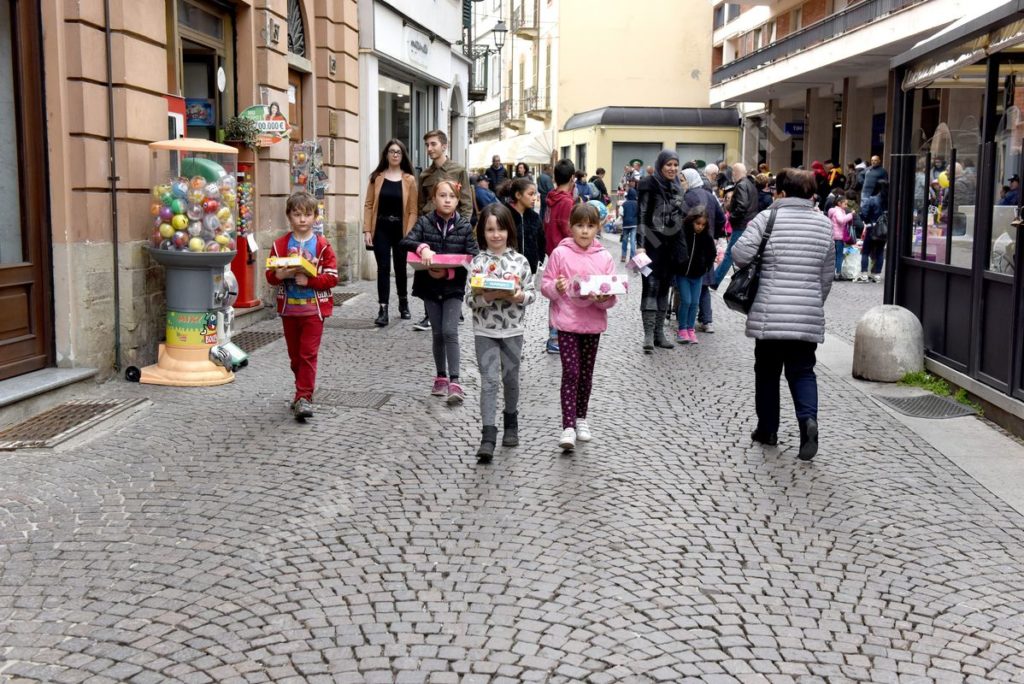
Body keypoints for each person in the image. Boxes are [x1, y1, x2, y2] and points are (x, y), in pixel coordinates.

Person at [732, 168, 835, 461]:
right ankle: (807, 422)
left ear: (781, 192)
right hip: (806, 314)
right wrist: (813, 303)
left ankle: (767, 429)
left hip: (770, 314)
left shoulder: (767, 219)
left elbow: (740, 255)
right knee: (802, 371)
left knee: (767, 372)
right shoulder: (824, 224)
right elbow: (827, 275)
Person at [540, 202, 618, 452]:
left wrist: (602, 298)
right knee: (571, 372)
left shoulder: (604, 257)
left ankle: (582, 418)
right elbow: (546, 286)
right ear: (570, 227)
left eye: (590, 226)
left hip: (592, 324)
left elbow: (612, 294)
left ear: (598, 228)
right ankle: (568, 425)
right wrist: (557, 288)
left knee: (586, 374)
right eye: (579, 225)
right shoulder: (560, 254)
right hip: (566, 323)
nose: (584, 231)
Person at [465, 203, 536, 463]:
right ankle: (488, 435)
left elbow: (531, 293)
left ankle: (511, 421)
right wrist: (488, 297)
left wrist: (519, 296)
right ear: (482, 232)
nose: (496, 235)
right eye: (490, 229)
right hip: (485, 330)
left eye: (501, 229)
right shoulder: (477, 262)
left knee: (510, 378)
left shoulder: (520, 261)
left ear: (509, 231)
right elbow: (469, 299)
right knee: (489, 381)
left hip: (513, 330)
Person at [401, 179, 479, 404]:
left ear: (457, 200)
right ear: (434, 199)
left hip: (453, 287)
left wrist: (453, 272)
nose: (447, 200)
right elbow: (406, 242)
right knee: (437, 332)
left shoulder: (464, 226)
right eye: (442, 196)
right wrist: (422, 247)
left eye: (451, 197)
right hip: (430, 287)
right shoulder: (425, 223)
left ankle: (455, 381)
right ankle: (440, 377)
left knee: (449, 331)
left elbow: (474, 256)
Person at [265, 192, 339, 420]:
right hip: (289, 309)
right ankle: (302, 391)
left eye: (307, 214)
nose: (303, 220)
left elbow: (333, 277)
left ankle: (303, 396)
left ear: (316, 217)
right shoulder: (280, 245)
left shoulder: (322, 245)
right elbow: (270, 276)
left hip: (313, 310)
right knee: (295, 356)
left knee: (308, 354)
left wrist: (310, 280)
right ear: (289, 216)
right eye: (297, 215)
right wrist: (280, 273)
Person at [415, 129, 473, 331]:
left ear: (444, 146)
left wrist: (462, 227)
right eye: (427, 145)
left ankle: (453, 308)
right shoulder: (425, 174)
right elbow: (420, 204)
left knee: (452, 270)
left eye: (433, 144)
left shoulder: (458, 170)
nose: (429, 149)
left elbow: (466, 201)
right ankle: (428, 314)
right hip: (430, 228)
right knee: (429, 269)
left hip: (452, 228)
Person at [363, 139, 418, 327]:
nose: (395, 154)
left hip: (401, 230)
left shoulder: (409, 179)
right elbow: (369, 205)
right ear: (386, 154)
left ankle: (403, 303)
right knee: (383, 269)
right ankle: (383, 308)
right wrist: (367, 230)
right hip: (381, 230)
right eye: (391, 151)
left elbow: (412, 210)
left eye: (398, 152)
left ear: (402, 156)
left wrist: (409, 233)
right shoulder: (376, 177)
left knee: (401, 268)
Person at [637, 150, 688, 353]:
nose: (673, 168)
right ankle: (648, 335)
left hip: (670, 245)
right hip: (650, 244)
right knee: (650, 286)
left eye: (676, 165)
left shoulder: (676, 187)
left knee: (664, 288)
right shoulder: (648, 184)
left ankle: (659, 334)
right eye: (669, 164)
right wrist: (640, 244)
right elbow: (641, 214)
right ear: (660, 165)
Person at [681, 168, 725, 334]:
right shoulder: (710, 196)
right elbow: (722, 218)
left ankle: (685, 322)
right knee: (703, 285)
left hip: (692, 245)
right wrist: (714, 232)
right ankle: (707, 320)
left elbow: (682, 221)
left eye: (683, 180)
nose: (681, 183)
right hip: (708, 243)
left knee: (687, 284)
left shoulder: (688, 197)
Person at [543, 159, 576, 354]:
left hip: (552, 251)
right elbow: (567, 228)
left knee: (556, 294)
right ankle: (556, 337)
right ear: (572, 178)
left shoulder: (551, 197)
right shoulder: (566, 201)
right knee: (563, 296)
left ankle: (555, 335)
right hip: (564, 252)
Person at [674, 205, 716, 345]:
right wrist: (678, 264)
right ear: (691, 221)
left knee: (695, 303)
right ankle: (682, 329)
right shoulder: (683, 233)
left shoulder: (706, 237)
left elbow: (712, 253)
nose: (700, 227)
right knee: (686, 301)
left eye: (703, 225)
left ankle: (690, 329)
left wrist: (706, 267)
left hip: (697, 275)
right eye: (697, 224)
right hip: (683, 274)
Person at [712, 162, 759, 288]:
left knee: (730, 255)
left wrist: (732, 218)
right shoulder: (750, 184)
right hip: (748, 224)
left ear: (735, 173)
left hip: (741, 225)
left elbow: (742, 206)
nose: (731, 174)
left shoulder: (742, 185)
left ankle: (715, 280)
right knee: (742, 255)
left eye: (732, 172)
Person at [500, 177, 544, 273]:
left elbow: (541, 242)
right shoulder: (504, 215)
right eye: (530, 194)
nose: (534, 198)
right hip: (507, 270)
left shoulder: (535, 217)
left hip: (531, 271)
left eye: (535, 194)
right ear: (518, 195)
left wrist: (539, 261)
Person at [828, 193, 855, 280]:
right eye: (845, 204)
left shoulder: (835, 211)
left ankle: (834, 272)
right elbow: (841, 221)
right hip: (838, 237)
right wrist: (851, 215)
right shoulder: (838, 211)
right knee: (839, 255)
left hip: (834, 236)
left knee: (835, 255)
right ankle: (837, 273)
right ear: (839, 203)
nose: (846, 206)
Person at [619, 187, 639, 263]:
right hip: (634, 224)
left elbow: (621, 213)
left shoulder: (624, 204)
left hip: (626, 224)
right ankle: (632, 257)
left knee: (624, 240)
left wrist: (624, 218)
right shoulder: (637, 204)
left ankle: (623, 256)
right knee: (633, 241)